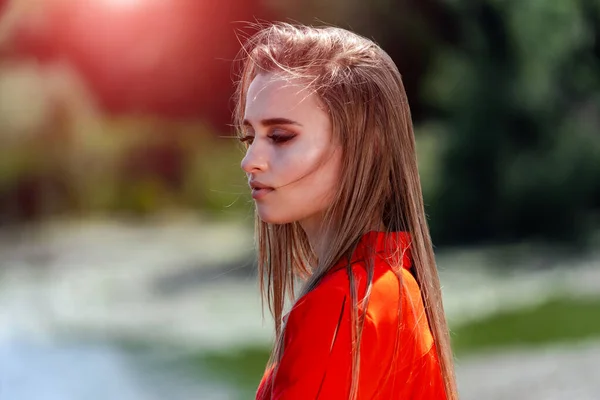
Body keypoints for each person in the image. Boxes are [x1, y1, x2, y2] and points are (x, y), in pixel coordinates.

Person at [233, 22, 458, 400]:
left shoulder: (341, 309)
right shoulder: (394, 286)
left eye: (280, 136)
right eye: (249, 137)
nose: (250, 160)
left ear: (366, 145)